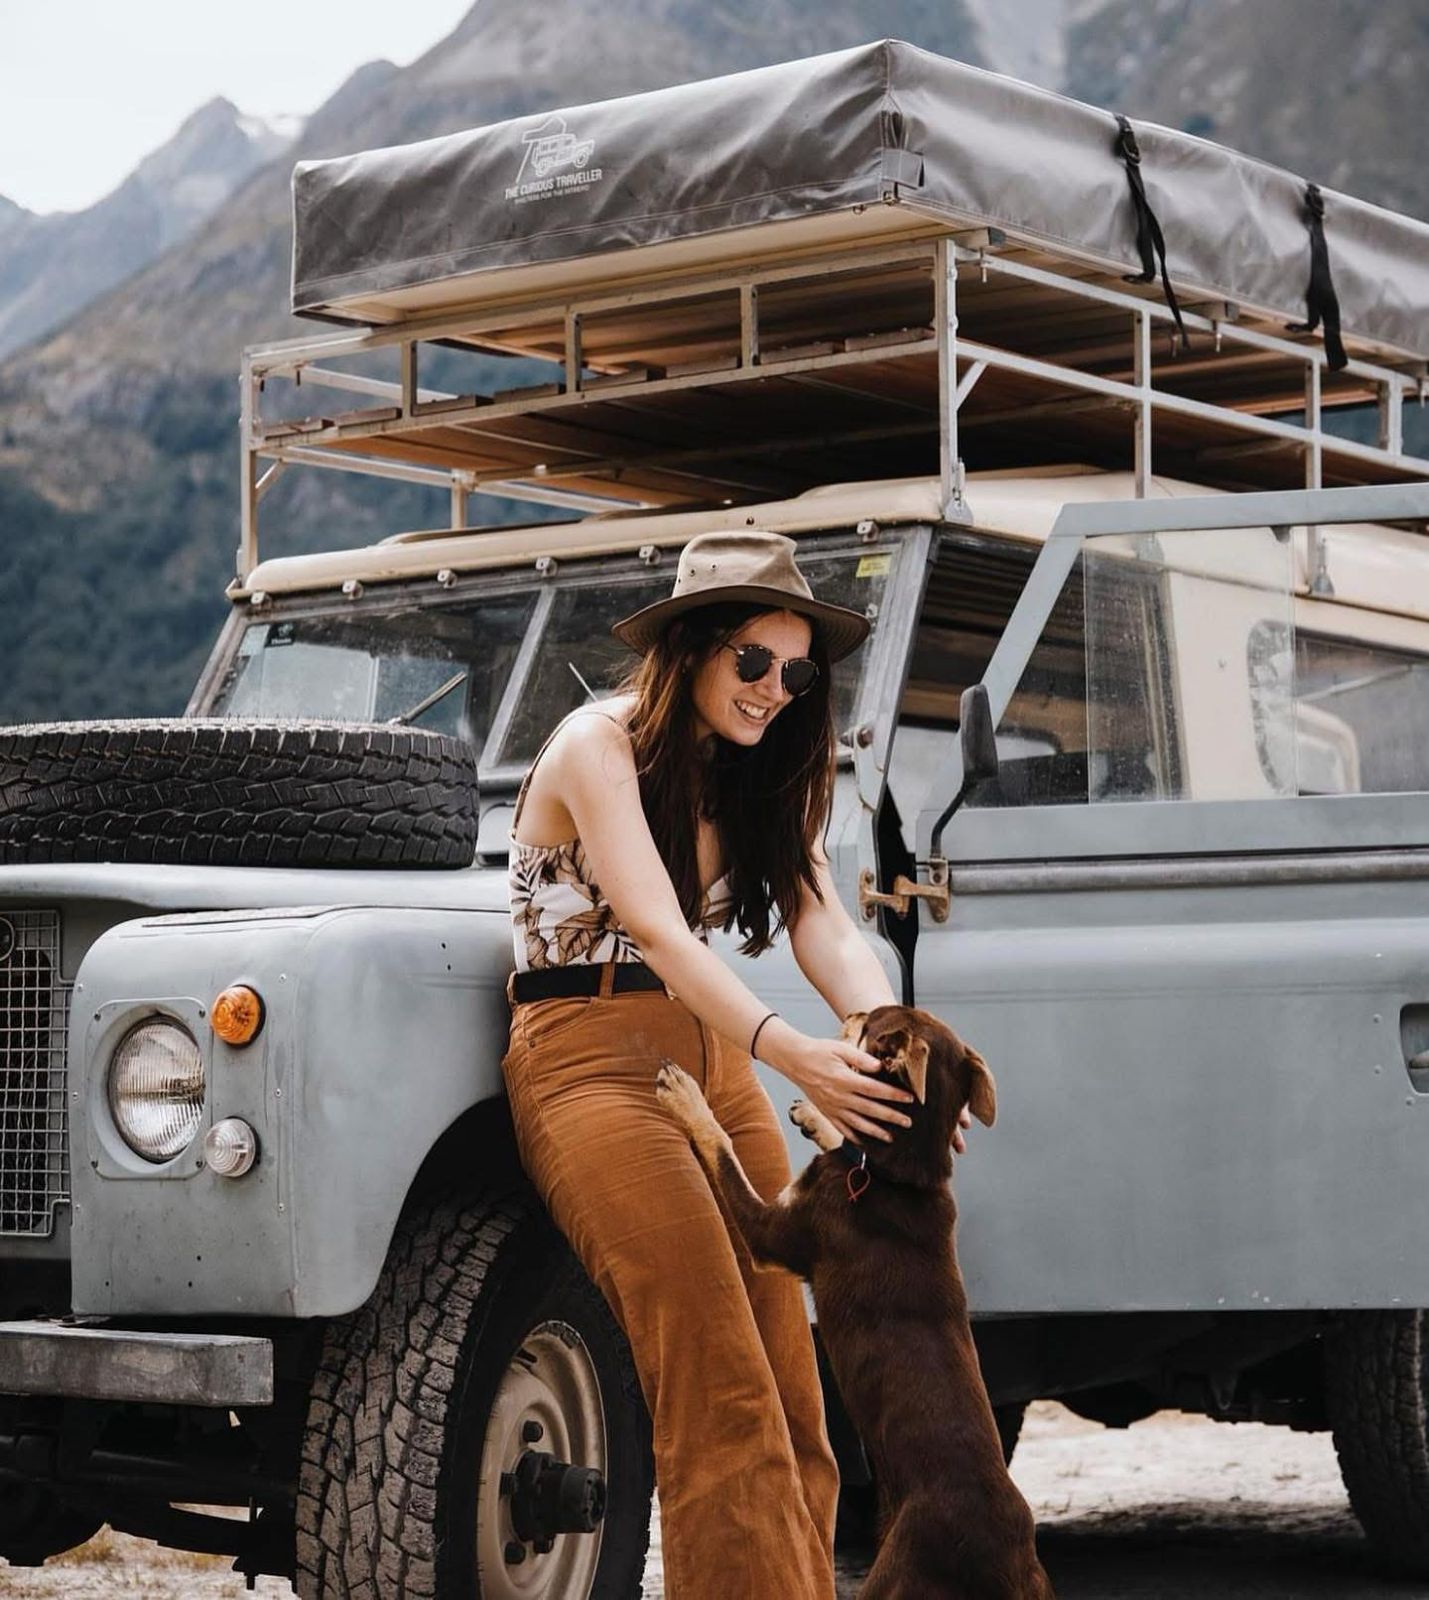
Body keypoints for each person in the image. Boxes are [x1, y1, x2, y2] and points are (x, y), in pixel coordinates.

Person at [501, 529, 970, 1598]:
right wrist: (794, 1052)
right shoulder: (596, 745)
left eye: (796, 671)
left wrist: (886, 1040)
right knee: (719, 1388)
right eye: (751, 662)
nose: (774, 689)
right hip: (585, 1062)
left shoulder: (767, 768)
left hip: (705, 1056)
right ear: (690, 649)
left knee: (795, 1392)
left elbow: (821, 921)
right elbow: (662, 934)